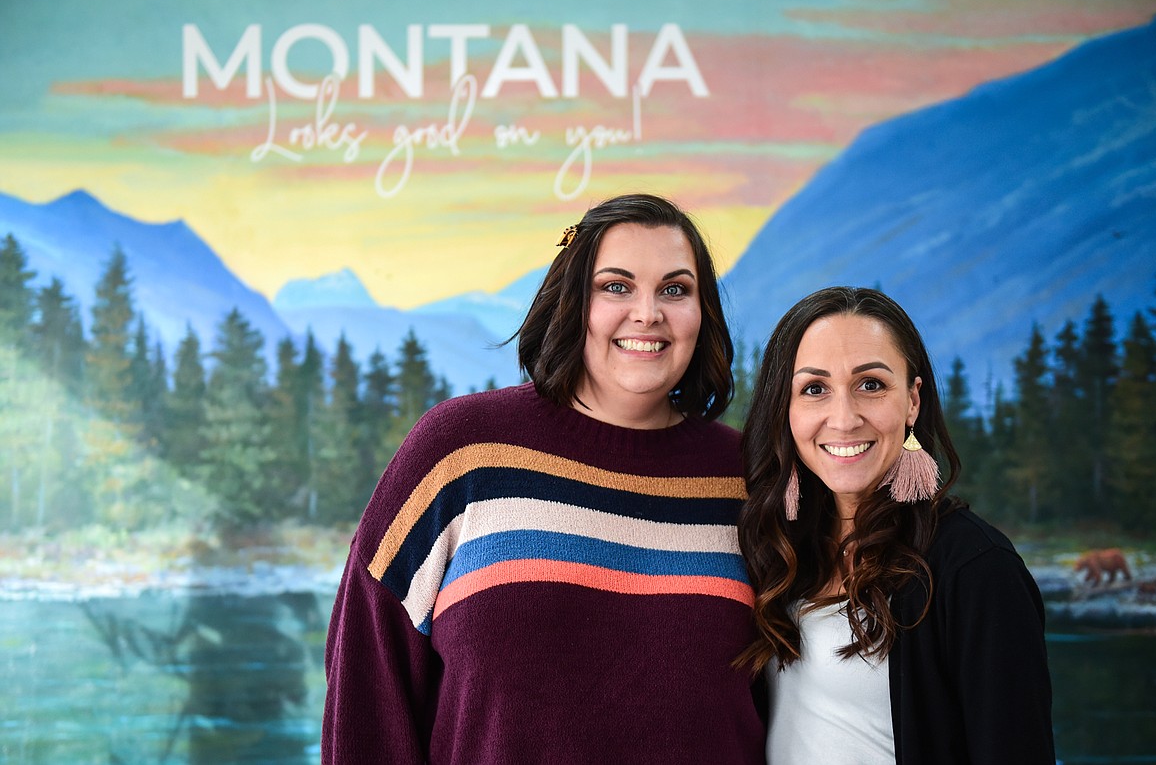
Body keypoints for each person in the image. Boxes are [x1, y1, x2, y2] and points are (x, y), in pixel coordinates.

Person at [322, 194, 766, 764]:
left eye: (676, 289)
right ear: (573, 300)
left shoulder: (749, 481)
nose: (648, 312)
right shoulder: (463, 452)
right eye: (616, 286)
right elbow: (368, 685)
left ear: (703, 315)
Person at [736, 287, 1054, 765]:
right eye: (814, 389)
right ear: (787, 408)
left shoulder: (976, 569)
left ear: (912, 401)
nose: (843, 419)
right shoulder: (778, 546)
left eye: (871, 385)